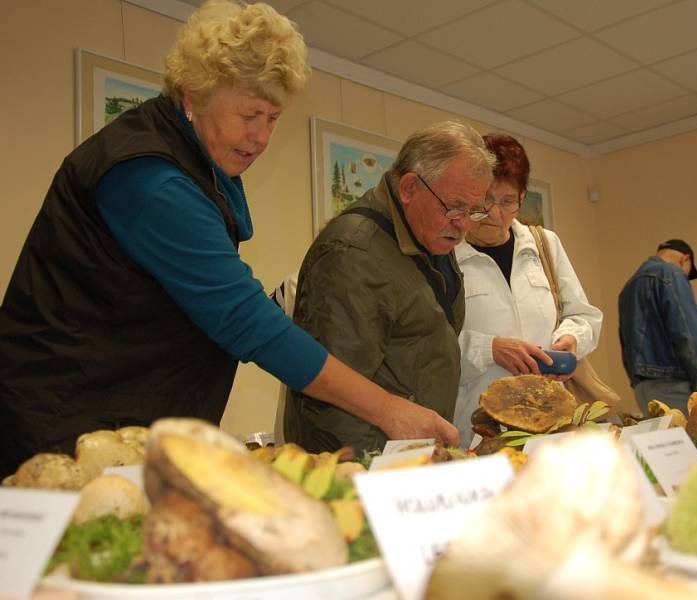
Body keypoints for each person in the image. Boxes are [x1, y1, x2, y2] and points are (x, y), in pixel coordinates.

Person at [0, 0, 457, 478]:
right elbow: (245, 321)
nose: (260, 137)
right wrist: (388, 409)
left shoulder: (201, 163)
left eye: (273, 118)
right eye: (249, 114)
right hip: (65, 428)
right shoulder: (150, 178)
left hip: (126, 422)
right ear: (193, 95)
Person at [283, 121, 495, 453]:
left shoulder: (431, 238)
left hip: (412, 456)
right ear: (409, 187)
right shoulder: (354, 253)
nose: (465, 225)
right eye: (454, 208)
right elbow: (333, 402)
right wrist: (379, 482)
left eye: (474, 211)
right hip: (373, 469)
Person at [453, 133, 602, 447]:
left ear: (522, 199)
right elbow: (429, 343)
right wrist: (488, 349)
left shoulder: (545, 244)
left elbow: (585, 317)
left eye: (507, 202)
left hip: (550, 421)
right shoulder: (448, 254)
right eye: (485, 201)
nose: (495, 214)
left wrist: (572, 339)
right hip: (477, 426)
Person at [618, 239, 697, 416]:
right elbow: (687, 329)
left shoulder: (628, 287)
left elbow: (625, 342)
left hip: (644, 388)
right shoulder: (671, 272)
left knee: (665, 442)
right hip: (677, 385)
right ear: (684, 260)